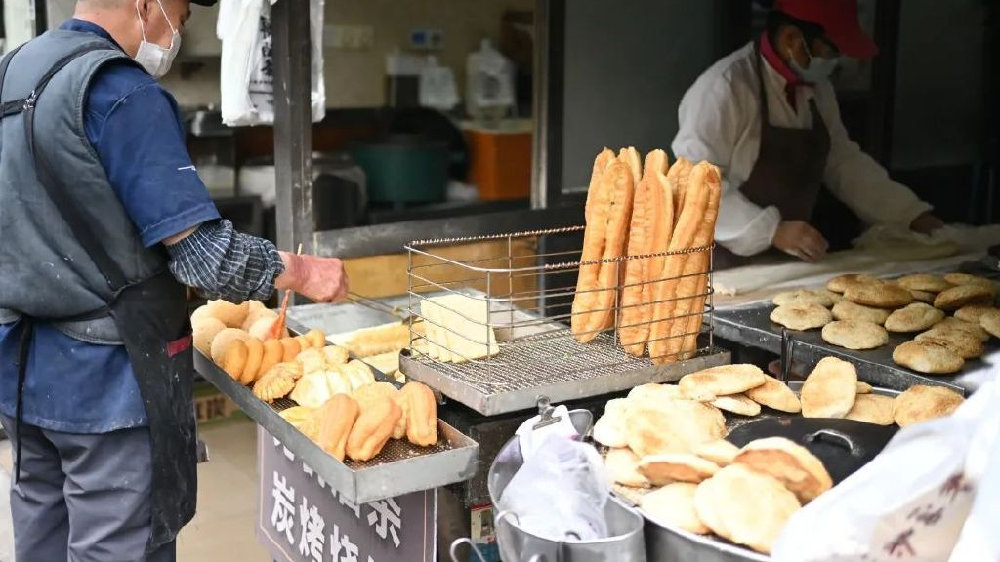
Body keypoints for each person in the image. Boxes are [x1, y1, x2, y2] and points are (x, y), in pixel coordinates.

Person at [0, 0, 349, 559]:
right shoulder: (121, 91)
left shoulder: (14, 69)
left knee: (43, 536)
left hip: (20, 368)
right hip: (107, 382)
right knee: (117, 546)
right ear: (145, 5)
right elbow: (204, 257)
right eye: (181, 17)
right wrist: (304, 270)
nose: (178, 31)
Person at [672, 0, 944, 267]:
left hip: (785, 266)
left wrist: (910, 214)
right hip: (720, 267)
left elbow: (843, 162)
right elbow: (694, 184)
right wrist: (771, 231)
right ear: (792, 38)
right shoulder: (725, 88)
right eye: (832, 50)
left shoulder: (817, 89)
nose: (837, 62)